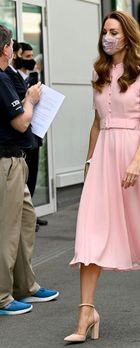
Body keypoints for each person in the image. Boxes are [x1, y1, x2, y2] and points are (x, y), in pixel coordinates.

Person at [64, 11, 140, 343]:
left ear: (127, 35)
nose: (108, 37)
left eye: (114, 31)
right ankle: (86, 313)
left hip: (134, 156)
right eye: (104, 31)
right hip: (103, 158)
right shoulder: (99, 72)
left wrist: (136, 161)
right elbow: (98, 123)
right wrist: (89, 161)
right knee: (90, 232)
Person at [0, 25, 59, 316]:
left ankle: (26, 285)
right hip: (5, 163)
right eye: (11, 45)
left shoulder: (7, 75)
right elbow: (21, 122)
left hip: (15, 160)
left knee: (25, 221)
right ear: (7, 48)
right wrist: (31, 100)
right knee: (7, 230)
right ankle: (2, 296)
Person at [18, 42, 48, 229]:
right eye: (27, 57)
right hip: (23, 136)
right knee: (24, 178)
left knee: (33, 176)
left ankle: (32, 214)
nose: (30, 60)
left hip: (35, 134)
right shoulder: (13, 78)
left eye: (32, 57)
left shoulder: (33, 77)